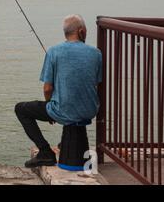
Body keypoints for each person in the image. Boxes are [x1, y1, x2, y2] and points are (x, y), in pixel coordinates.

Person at [15, 14, 102, 168]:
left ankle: (45, 152)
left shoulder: (54, 52)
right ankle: (65, 143)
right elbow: (93, 83)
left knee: (21, 109)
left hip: (64, 111)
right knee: (69, 104)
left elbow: (48, 88)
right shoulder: (96, 53)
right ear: (81, 31)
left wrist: (50, 106)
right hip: (90, 110)